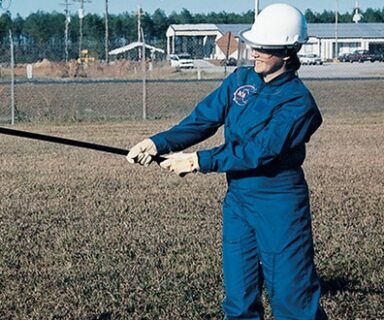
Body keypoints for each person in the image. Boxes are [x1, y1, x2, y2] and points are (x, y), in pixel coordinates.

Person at [126, 3, 327, 319]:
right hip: (238, 201)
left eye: (264, 47)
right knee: (239, 296)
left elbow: (259, 151)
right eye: (254, 44)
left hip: (279, 203)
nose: (255, 51)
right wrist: (157, 142)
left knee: (292, 298)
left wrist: (198, 161)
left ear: (287, 53)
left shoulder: (299, 104)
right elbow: (203, 119)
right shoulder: (240, 80)